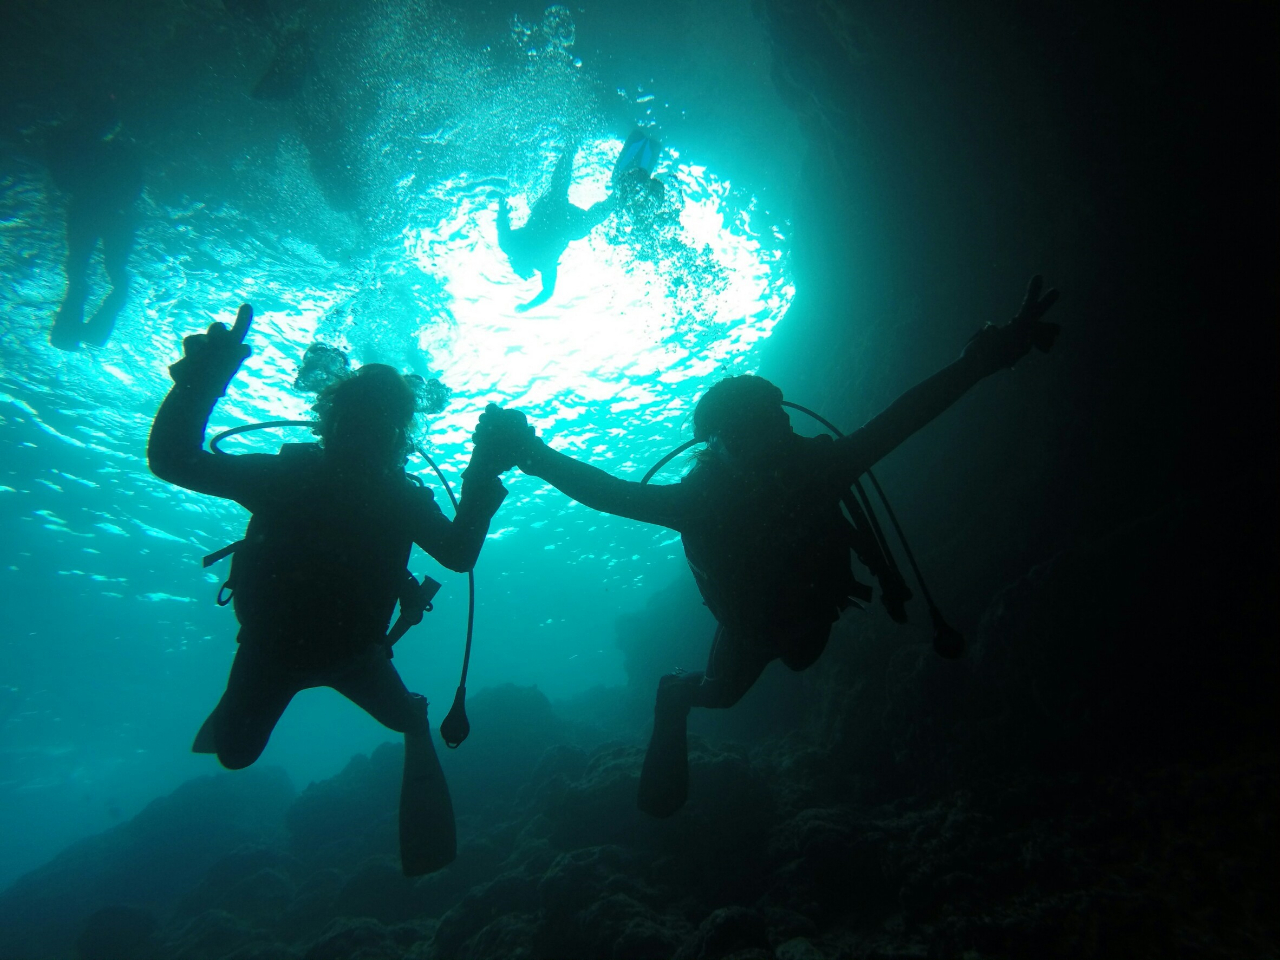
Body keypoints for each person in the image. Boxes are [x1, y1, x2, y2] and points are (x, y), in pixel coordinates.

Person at [476, 278, 1061, 817]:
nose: (767, 438)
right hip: (750, 628)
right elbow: (608, 493)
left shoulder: (817, 469)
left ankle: (695, 691)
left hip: (808, 610)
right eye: (748, 431)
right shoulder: (702, 500)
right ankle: (675, 697)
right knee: (725, 696)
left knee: (800, 657)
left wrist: (987, 358)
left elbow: (905, 417)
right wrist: (531, 455)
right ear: (721, 445)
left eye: (769, 422)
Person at [147, 306, 518, 875]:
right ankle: (412, 717)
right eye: (353, 420)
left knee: (241, 752)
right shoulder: (322, 482)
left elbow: (175, 460)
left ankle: (413, 718)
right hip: (302, 651)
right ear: (329, 422)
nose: (363, 435)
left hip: (336, 653)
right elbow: (460, 553)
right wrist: (480, 471)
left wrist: (203, 382)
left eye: (377, 425)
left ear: (394, 435)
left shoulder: (349, 487)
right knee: (235, 755)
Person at [46, 96, 143, 351]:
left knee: (79, 271)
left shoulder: (76, 144)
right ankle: (85, 334)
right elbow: (134, 186)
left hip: (87, 209)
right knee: (115, 276)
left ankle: (75, 335)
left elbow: (63, 181)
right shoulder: (117, 149)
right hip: (112, 213)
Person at [496, 145, 613, 312]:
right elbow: (502, 226)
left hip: (560, 220)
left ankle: (615, 200)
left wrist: (527, 306)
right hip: (554, 216)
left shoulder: (540, 262)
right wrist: (502, 208)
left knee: (575, 211)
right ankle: (570, 149)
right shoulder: (514, 248)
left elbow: (547, 292)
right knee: (559, 191)